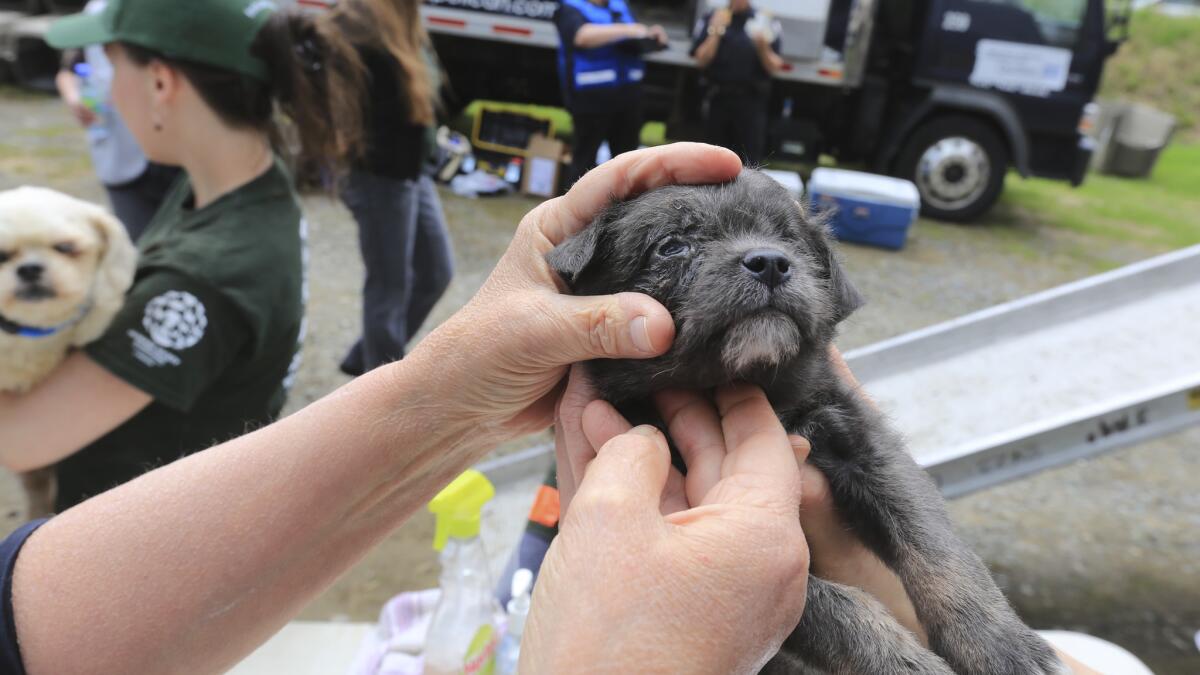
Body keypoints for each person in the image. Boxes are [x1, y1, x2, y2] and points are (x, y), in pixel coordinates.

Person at [0, 143, 1099, 674]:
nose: (760, 260)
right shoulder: (625, 434)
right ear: (589, 299)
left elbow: (890, 487)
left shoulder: (815, 390)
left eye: (787, 246)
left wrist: (966, 617)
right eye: (676, 247)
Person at [0, 0, 365, 512]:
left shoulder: (204, 275)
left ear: (159, 84)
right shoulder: (244, 182)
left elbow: (21, 439)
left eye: (109, 63)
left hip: (131, 538)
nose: (104, 88)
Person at [333, 0, 455, 377]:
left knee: (436, 272)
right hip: (378, 179)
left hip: (411, 175)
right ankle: (379, 382)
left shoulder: (406, 22)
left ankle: (364, 357)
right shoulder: (358, 24)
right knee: (388, 289)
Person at [53, 0, 179, 241]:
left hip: (178, 156)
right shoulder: (98, 10)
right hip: (119, 152)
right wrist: (74, 97)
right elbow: (68, 70)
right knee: (138, 245)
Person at [554, 0, 667, 186]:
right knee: (584, 162)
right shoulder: (572, 7)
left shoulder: (619, 6)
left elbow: (637, 32)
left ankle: (623, 213)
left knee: (629, 164)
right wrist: (628, 30)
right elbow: (580, 36)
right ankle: (577, 212)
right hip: (592, 100)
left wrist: (651, 35)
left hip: (628, 98)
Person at [690, 0, 784, 165]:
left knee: (749, 161)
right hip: (719, 99)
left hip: (750, 102)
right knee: (713, 159)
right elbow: (701, 60)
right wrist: (716, 32)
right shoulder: (714, 17)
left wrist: (762, 46)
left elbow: (775, 66)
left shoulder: (763, 20)